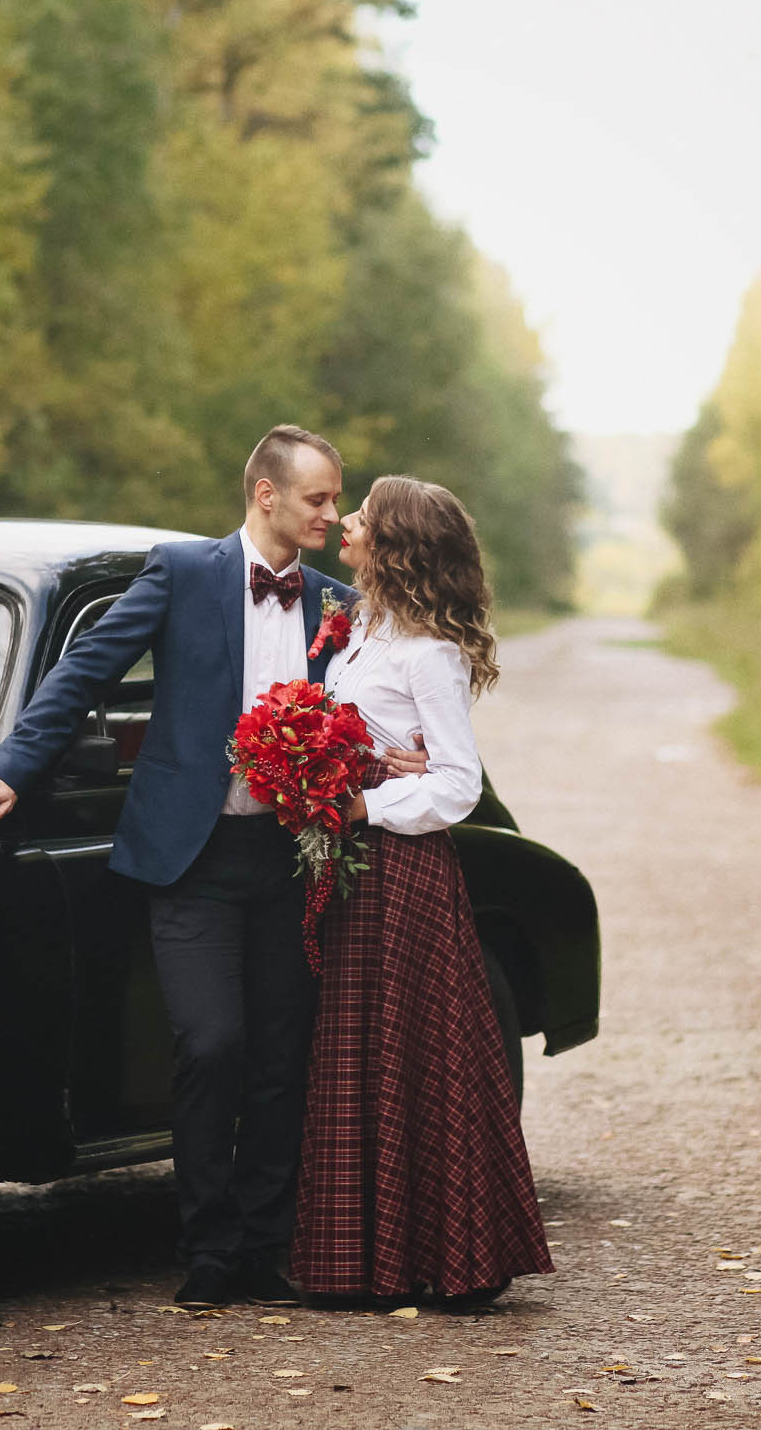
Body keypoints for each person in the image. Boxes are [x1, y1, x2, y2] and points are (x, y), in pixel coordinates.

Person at [0, 425, 419, 1310]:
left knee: (281, 1057)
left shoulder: (335, 601)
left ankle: (263, 1249)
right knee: (211, 1043)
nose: (332, 513)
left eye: (335, 497)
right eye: (317, 497)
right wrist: (10, 766)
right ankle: (205, 1248)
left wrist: (404, 757)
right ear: (265, 494)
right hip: (190, 859)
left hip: (294, 859)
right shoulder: (181, 572)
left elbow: (380, 704)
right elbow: (87, 667)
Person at [289, 475, 551, 1303]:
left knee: (412, 1053)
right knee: (358, 1051)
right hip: (352, 866)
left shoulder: (428, 653)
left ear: (394, 545)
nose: (348, 524)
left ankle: (441, 1261)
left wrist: (368, 798)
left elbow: (458, 784)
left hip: (402, 870)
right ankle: (357, 1258)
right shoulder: (363, 630)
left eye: (361, 516)